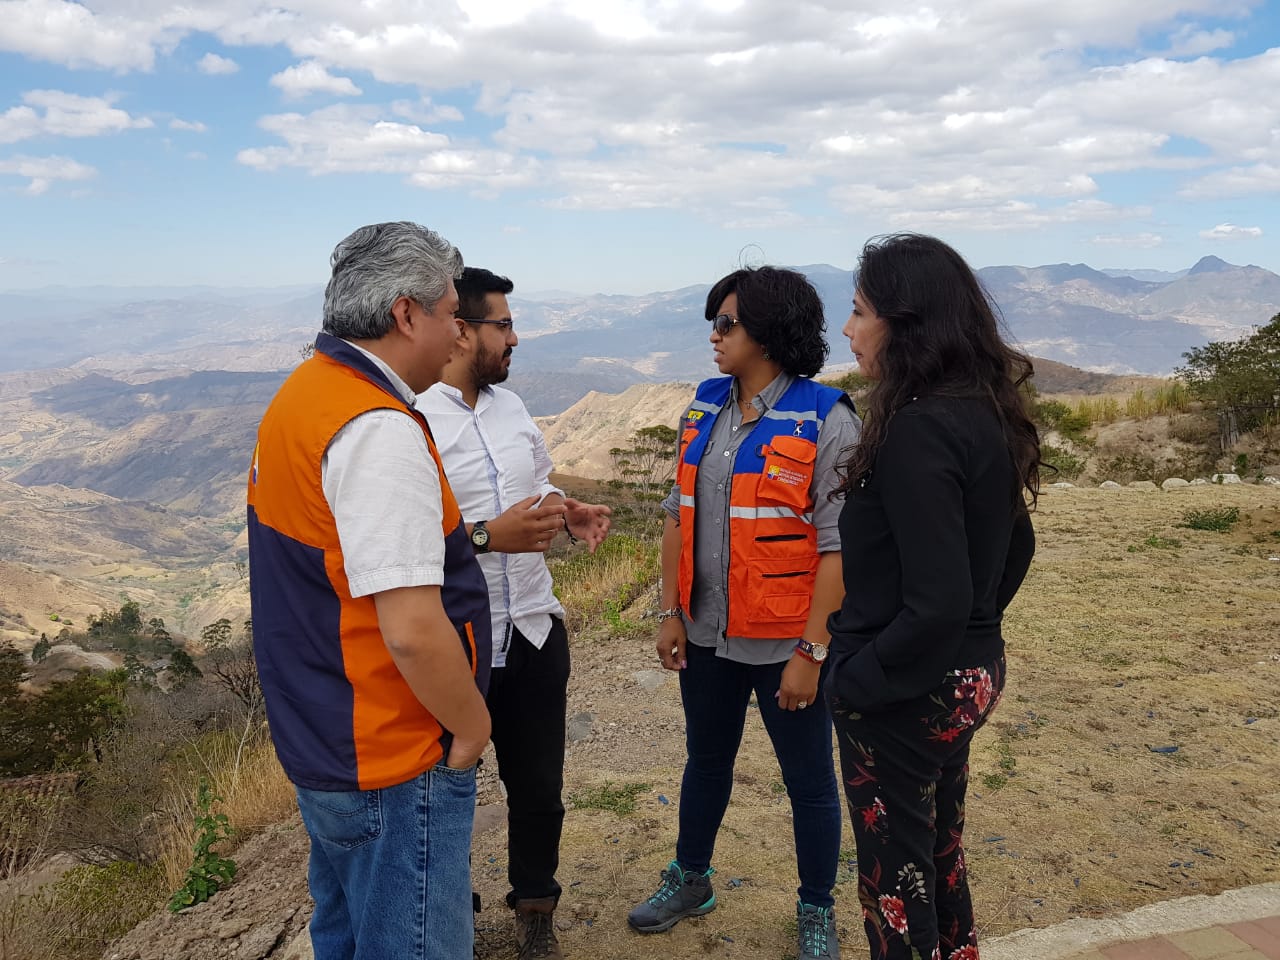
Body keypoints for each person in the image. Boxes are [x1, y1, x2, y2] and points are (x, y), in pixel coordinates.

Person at [247, 222, 493, 960]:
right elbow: (414, 629)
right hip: (389, 752)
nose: (460, 334)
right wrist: (473, 726)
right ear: (405, 313)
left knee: (349, 936)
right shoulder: (375, 430)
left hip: (326, 739)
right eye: (453, 313)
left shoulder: (307, 393)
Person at [627, 266, 861, 960]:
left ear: (769, 330)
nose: (714, 335)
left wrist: (811, 652)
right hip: (706, 636)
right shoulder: (703, 407)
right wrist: (670, 611)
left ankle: (817, 908)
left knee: (810, 781)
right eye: (715, 321)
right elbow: (678, 515)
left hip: (786, 644)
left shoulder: (827, 418)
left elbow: (837, 550)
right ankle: (691, 879)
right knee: (706, 760)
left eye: (726, 323)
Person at [825, 233, 1041, 960]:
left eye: (859, 313)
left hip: (907, 694)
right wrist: (978, 635)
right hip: (967, 677)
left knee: (894, 885)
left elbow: (937, 599)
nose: (848, 331)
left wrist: (856, 681)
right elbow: (1019, 546)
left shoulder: (917, 429)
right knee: (937, 860)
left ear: (905, 320)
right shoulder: (981, 412)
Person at [420, 266, 611, 960]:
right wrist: (482, 538)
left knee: (539, 790)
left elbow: (537, 484)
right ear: (463, 330)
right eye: (503, 325)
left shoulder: (511, 408)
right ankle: (451, 915)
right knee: (447, 793)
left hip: (532, 627)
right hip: (453, 641)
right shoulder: (415, 418)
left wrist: (568, 509)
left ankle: (536, 908)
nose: (515, 338)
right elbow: (404, 535)